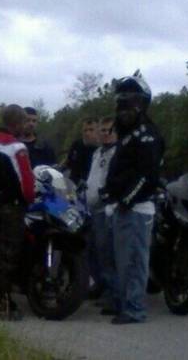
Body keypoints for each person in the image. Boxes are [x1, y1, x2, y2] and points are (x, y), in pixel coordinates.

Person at [100, 71, 165, 324]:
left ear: (142, 104)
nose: (124, 109)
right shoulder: (127, 134)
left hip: (136, 208)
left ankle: (134, 308)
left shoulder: (147, 135)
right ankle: (121, 301)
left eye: (130, 103)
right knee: (119, 260)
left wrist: (127, 199)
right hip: (120, 206)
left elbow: (147, 175)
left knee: (134, 261)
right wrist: (110, 193)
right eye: (121, 103)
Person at [0, 104, 35, 321]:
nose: (26, 126)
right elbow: (26, 181)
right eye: (24, 121)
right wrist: (30, 199)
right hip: (9, 205)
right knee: (7, 256)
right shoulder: (16, 147)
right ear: (17, 123)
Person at [84, 116, 117, 301]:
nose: (106, 133)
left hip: (107, 208)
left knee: (107, 253)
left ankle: (112, 293)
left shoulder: (117, 153)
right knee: (93, 250)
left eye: (109, 130)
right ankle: (99, 285)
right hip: (92, 208)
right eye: (103, 130)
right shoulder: (97, 153)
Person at [63, 118, 99, 185]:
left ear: (98, 131)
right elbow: (67, 163)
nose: (87, 133)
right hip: (72, 185)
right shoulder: (76, 145)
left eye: (91, 130)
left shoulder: (101, 150)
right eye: (85, 130)